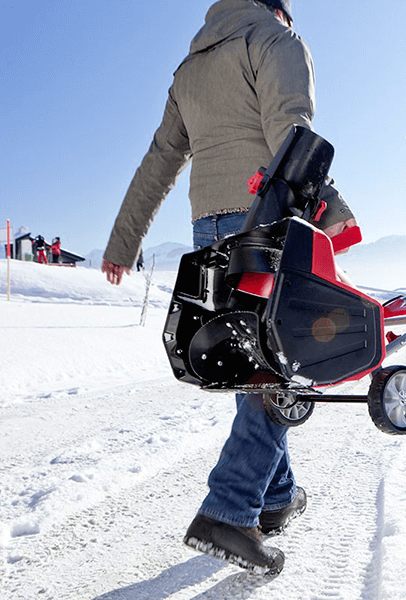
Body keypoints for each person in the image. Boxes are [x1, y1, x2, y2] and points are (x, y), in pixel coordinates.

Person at [101, 0, 356, 577]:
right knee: (276, 361)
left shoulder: (190, 68)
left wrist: (123, 243)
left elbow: (159, 160)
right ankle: (230, 509)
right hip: (265, 217)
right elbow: (290, 131)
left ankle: (275, 497)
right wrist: (332, 204)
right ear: (277, 8)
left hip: (209, 229)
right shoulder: (275, 40)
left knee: (254, 361)